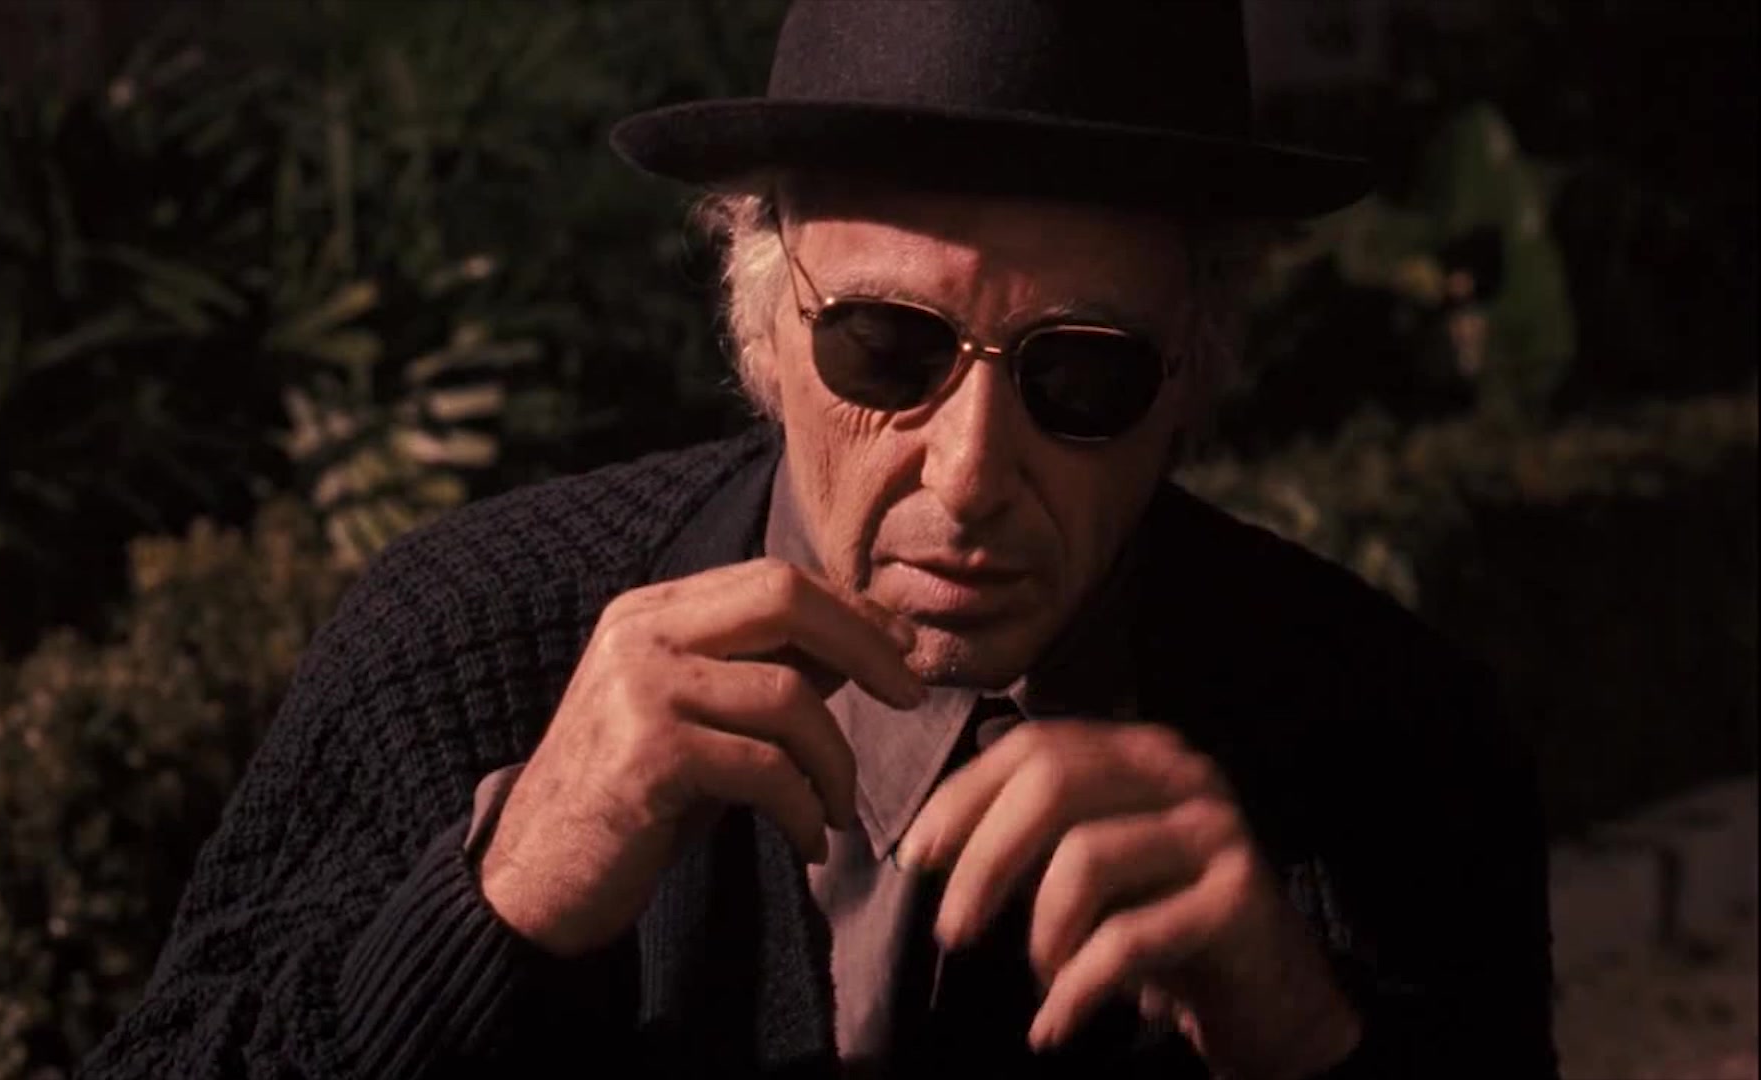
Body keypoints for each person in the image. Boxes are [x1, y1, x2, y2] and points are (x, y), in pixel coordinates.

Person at [84, 2, 1558, 1077]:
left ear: (1190, 378)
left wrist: (1304, 1042)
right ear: (764, 334)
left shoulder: (1390, 730)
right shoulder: (460, 635)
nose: (969, 477)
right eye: (884, 347)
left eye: (1082, 376)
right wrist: (497, 903)